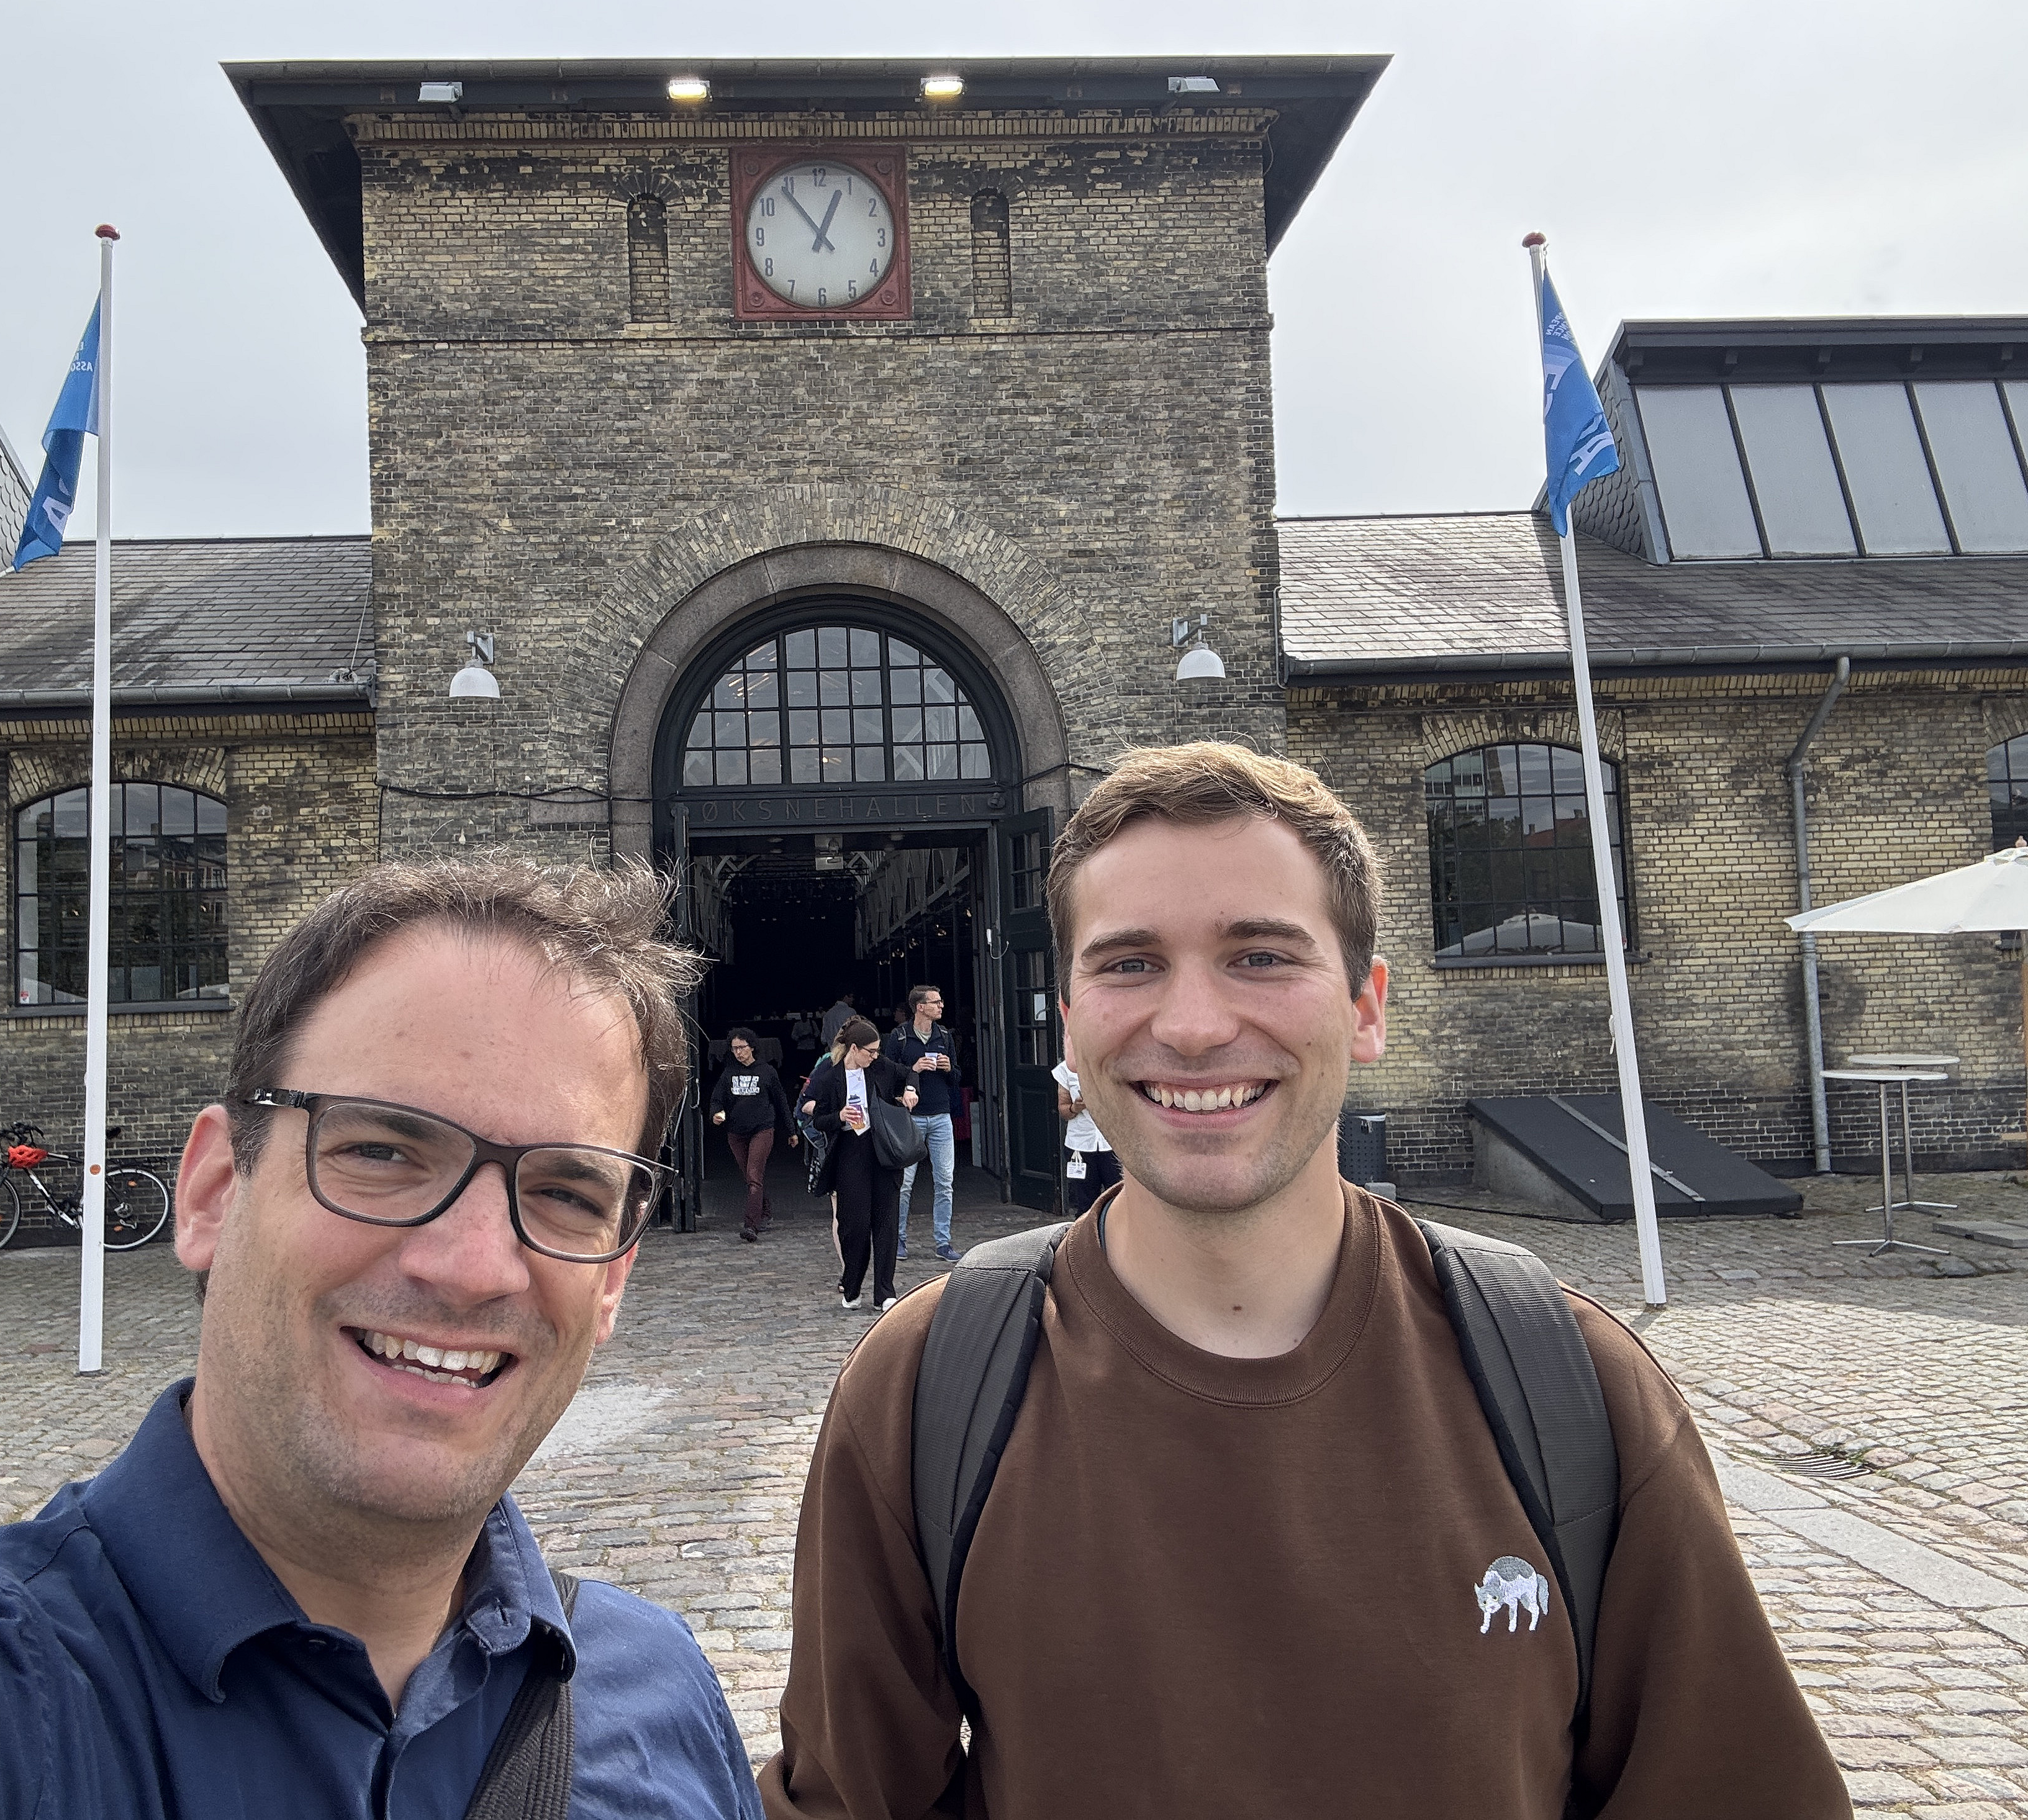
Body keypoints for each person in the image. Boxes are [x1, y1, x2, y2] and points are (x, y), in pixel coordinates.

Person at [761, 742, 1846, 1818]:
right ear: (1072, 1017)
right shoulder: (925, 1389)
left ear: (1366, 1006)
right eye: (1129, 962)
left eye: (1261, 955)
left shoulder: (1568, 1384)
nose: (1190, 1023)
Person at [0, 860, 765, 1819]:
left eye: (564, 1189)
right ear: (213, 1188)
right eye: (380, 1150)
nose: (469, 1263)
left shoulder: (654, 1697)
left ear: (613, 1274)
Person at [797, 1017, 916, 1313]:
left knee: (887, 1221)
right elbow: (818, 1119)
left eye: (877, 1051)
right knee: (855, 1225)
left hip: (883, 1151)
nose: (875, 1056)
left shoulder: (881, 1068)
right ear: (853, 1048)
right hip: (850, 1152)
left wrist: (911, 1091)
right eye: (870, 1051)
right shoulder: (830, 1077)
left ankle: (885, 1292)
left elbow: (910, 1073)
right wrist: (839, 1117)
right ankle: (852, 1286)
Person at [889, 986, 960, 1263]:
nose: (941, 1006)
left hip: (941, 1115)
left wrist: (948, 1068)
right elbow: (886, 1075)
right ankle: (898, 1240)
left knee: (945, 1181)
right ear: (920, 1007)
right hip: (911, 1117)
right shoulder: (900, 1037)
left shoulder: (944, 1036)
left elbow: (957, 1078)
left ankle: (943, 1243)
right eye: (936, 1002)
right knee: (905, 1183)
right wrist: (913, 1070)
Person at [709, 1027, 797, 1244]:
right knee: (750, 1177)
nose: (738, 1052)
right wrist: (716, 1114)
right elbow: (716, 1100)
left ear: (752, 1047)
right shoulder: (728, 1074)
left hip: (763, 1129)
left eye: (742, 1047)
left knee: (754, 1176)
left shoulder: (767, 1072)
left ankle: (751, 1225)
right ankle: (764, 1211)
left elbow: (781, 1102)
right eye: (734, 1048)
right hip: (736, 1133)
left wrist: (792, 1130)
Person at [1051, 1053, 1120, 1220]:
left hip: (1111, 1142)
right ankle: (1085, 1241)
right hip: (1080, 1144)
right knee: (1085, 1199)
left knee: (1118, 1196)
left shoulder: (1112, 1066)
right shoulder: (1064, 1071)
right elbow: (1064, 1110)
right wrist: (1076, 1107)